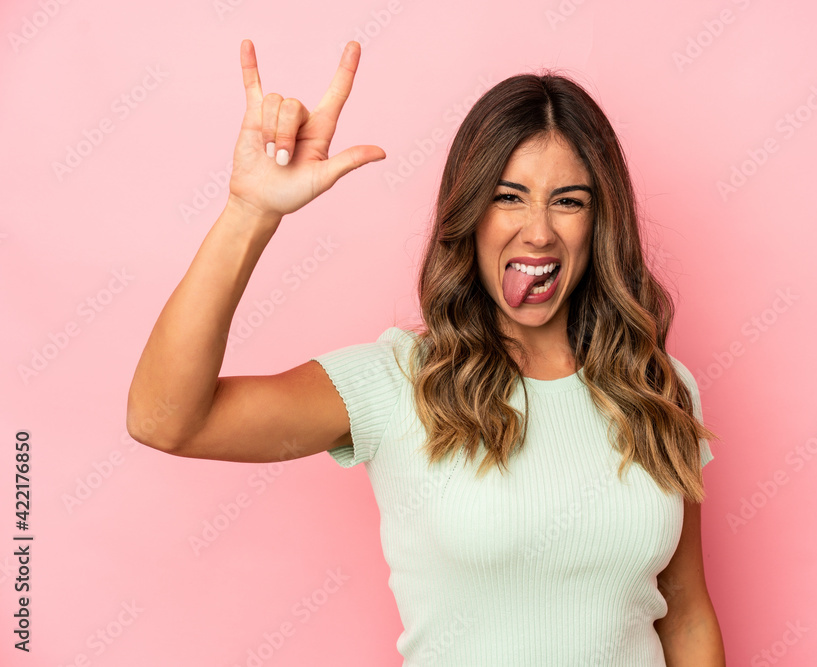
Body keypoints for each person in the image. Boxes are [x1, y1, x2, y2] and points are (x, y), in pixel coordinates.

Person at [127, 38, 726, 666]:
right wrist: (250, 211)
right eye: (507, 195)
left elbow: (685, 616)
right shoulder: (395, 383)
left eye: (569, 201)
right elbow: (164, 418)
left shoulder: (658, 386)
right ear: (467, 212)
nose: (540, 230)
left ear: (600, 221)